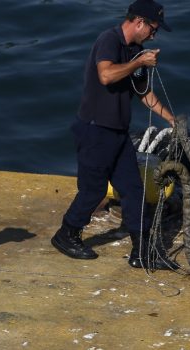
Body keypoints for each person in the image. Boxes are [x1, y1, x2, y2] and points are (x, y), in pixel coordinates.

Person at [51, 0, 179, 270]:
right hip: (95, 130)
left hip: (119, 134)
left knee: (133, 189)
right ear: (140, 22)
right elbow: (106, 75)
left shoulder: (136, 50)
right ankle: (66, 234)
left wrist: (171, 119)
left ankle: (142, 252)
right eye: (154, 29)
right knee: (93, 190)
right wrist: (138, 62)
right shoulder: (109, 40)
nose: (154, 35)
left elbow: (143, 92)